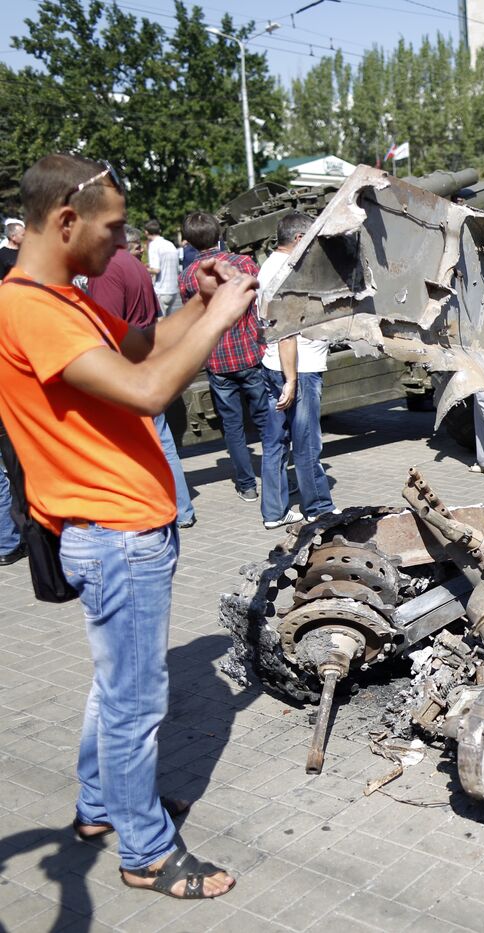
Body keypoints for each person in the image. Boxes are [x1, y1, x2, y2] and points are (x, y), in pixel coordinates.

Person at [0, 153, 255, 899]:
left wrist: (190, 298)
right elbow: (147, 389)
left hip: (120, 529)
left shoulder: (63, 297)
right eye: (112, 229)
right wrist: (219, 317)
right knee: (136, 702)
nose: (124, 242)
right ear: (65, 220)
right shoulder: (30, 308)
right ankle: (144, 850)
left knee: (115, 689)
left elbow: (140, 346)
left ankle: (102, 805)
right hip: (116, 533)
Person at [86, 235, 197, 528]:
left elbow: (105, 328)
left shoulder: (107, 268)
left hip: (126, 367)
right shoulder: (133, 264)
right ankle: (181, 509)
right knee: (163, 441)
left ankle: (154, 511)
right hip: (143, 359)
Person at [178, 211, 265, 501]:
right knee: (267, 421)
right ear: (219, 233)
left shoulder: (189, 276)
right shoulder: (244, 263)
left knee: (232, 426)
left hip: (217, 360)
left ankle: (246, 485)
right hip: (251, 352)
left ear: (189, 240)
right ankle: (278, 480)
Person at [256, 212, 335, 528]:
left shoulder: (268, 266)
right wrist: (291, 381)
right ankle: (319, 508)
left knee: (274, 443)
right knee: (307, 444)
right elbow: (287, 331)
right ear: (300, 239)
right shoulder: (289, 272)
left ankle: (274, 512)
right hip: (298, 370)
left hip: (274, 363)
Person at [145, 220, 182, 316]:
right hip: (173, 290)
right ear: (159, 231)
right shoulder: (169, 244)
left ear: (146, 232)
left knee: (160, 324)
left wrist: (143, 269)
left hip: (161, 290)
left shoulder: (154, 245)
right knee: (167, 322)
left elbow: (156, 270)